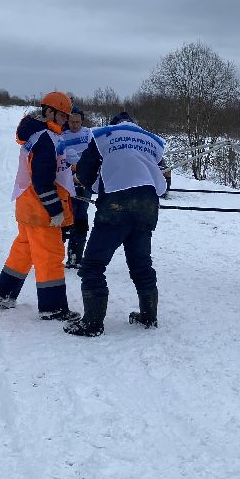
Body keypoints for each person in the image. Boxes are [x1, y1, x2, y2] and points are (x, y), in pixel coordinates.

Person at [64, 111, 168, 337]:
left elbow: (84, 173)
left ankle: (92, 323)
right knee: (141, 265)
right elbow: (164, 182)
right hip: (148, 207)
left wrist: (90, 181)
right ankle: (149, 317)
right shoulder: (153, 141)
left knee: (92, 266)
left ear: (114, 124)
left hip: (115, 206)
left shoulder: (103, 136)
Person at [0, 91, 80, 324]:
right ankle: (53, 308)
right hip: (42, 212)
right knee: (50, 256)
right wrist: (56, 210)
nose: (65, 120)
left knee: (23, 251)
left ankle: (3, 294)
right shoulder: (46, 139)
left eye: (67, 116)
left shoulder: (42, 135)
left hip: (28, 207)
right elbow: (42, 180)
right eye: (62, 115)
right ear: (49, 112)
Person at [58, 106, 93, 268]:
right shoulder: (61, 135)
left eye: (78, 121)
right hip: (66, 181)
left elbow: (95, 156)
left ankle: (76, 257)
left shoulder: (88, 134)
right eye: (72, 121)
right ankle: (55, 255)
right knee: (65, 216)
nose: (75, 124)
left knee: (81, 216)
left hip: (84, 181)